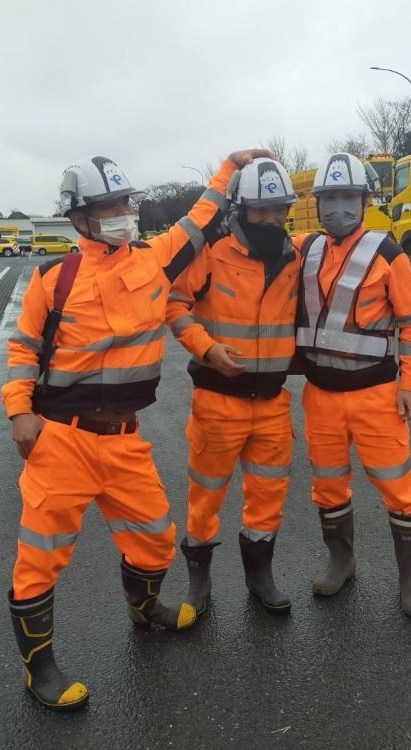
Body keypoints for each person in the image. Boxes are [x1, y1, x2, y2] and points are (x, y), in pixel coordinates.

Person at [2, 148, 271, 710]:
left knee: (154, 538)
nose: (125, 213)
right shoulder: (54, 278)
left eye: (127, 202)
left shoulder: (153, 259)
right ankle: (39, 668)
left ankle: (145, 610)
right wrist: (19, 410)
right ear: (80, 218)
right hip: (61, 439)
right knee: (41, 558)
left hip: (125, 438)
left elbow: (199, 218)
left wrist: (228, 167)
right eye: (110, 206)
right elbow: (24, 347)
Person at [294, 152, 411, 619]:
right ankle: (342, 561)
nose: (338, 207)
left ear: (365, 201)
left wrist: (409, 383)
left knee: (398, 487)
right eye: (329, 197)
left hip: (376, 396)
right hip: (321, 397)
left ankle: (410, 579)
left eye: (348, 197)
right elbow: (260, 240)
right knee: (328, 485)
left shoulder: (389, 255)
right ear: (316, 203)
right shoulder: (306, 249)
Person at [166, 158, 300, 616]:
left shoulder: (294, 257)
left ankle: (260, 577)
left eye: (280, 209)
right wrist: (206, 349)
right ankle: (199, 583)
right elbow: (175, 305)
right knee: (205, 496)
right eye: (263, 210)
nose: (273, 219)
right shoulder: (212, 253)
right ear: (240, 209)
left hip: (273, 405)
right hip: (218, 403)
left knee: (268, 497)